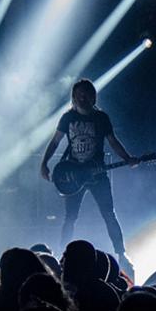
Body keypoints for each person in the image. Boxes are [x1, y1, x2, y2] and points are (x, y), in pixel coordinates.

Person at [39, 79, 138, 274]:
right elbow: (55, 141)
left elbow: (113, 141)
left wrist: (127, 158)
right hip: (73, 177)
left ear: (93, 97)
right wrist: (44, 163)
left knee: (109, 213)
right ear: (74, 97)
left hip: (97, 174)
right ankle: (62, 256)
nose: (82, 98)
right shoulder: (67, 118)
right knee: (70, 217)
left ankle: (121, 253)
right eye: (79, 95)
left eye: (86, 95)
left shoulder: (101, 118)